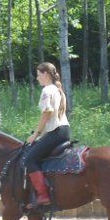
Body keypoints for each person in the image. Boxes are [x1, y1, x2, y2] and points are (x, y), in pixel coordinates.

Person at [25, 62, 70, 207]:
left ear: (45, 74)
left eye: (38, 75)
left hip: (56, 132)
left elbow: (47, 113)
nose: (37, 78)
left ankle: (43, 196)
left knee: (29, 158)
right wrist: (40, 135)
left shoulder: (47, 91)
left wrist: (35, 134)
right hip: (63, 130)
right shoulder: (57, 90)